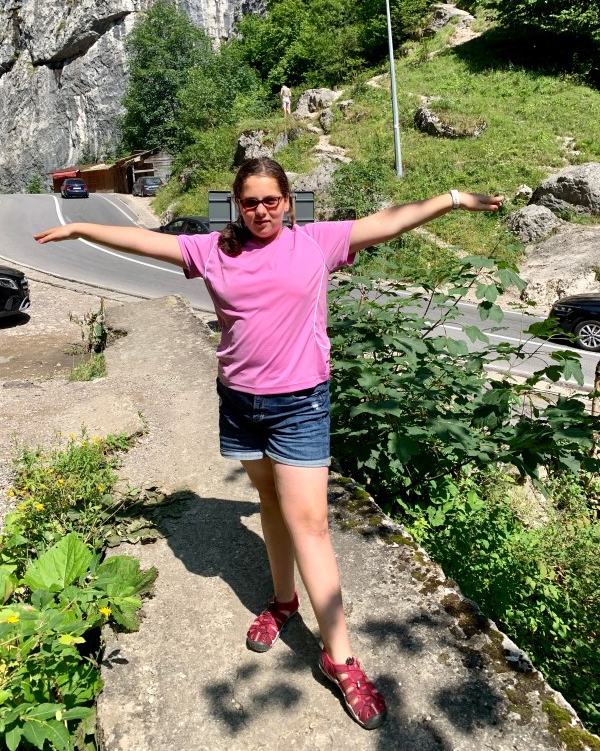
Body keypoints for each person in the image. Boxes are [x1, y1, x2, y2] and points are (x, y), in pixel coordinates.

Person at [34, 157, 503, 730]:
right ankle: (283, 601)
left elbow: (389, 221)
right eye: (250, 202)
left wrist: (452, 198)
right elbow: (144, 241)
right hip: (240, 403)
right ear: (238, 204)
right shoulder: (214, 250)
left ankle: (340, 658)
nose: (261, 211)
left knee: (311, 524)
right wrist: (81, 227)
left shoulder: (316, 243)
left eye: (270, 201)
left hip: (300, 404)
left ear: (287, 201)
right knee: (270, 504)